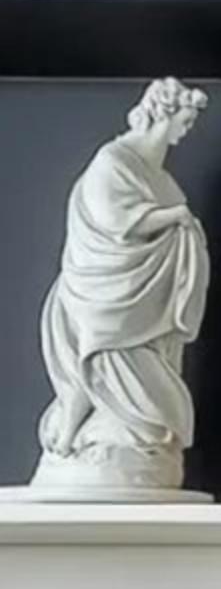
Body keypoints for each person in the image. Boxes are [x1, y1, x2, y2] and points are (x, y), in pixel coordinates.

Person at [30, 77, 210, 498]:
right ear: (162, 115)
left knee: (140, 375)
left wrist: (182, 229)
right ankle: (71, 433)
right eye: (184, 121)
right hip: (101, 287)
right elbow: (118, 221)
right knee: (98, 352)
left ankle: (119, 434)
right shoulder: (112, 162)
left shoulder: (161, 179)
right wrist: (176, 217)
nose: (186, 130)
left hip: (143, 294)